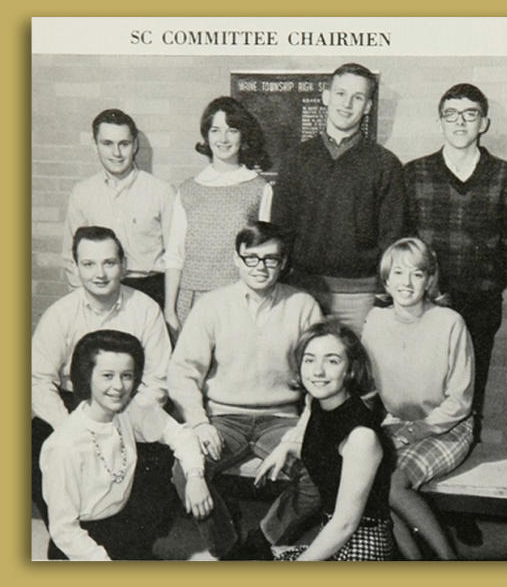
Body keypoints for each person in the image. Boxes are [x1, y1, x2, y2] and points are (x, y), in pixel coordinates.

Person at [166, 221, 323, 559]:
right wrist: (199, 422)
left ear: (283, 263)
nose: (260, 267)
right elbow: (182, 372)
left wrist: (298, 435)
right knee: (185, 472)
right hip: (223, 419)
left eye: (270, 259)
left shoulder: (303, 306)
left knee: (321, 472)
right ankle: (229, 551)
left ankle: (262, 543)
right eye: (251, 258)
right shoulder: (211, 305)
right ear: (236, 260)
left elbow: (321, 382)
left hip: (281, 420)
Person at [404, 83, 507, 442]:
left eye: (470, 114)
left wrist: (492, 283)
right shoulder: (414, 174)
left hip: (481, 303)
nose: (460, 122)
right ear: (440, 122)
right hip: (424, 303)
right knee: (426, 380)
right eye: (451, 115)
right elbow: (402, 240)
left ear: (484, 123)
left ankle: (464, 440)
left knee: (471, 381)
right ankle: (421, 442)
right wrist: (417, 288)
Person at [33, 226, 172, 522]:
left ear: (123, 265)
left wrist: (126, 423)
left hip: (128, 404)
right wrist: (72, 427)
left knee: (155, 466)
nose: (100, 274)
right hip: (74, 404)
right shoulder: (60, 314)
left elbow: (157, 380)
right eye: (89, 264)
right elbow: (38, 379)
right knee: (35, 448)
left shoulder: (146, 310)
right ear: (75, 268)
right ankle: (71, 533)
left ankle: (128, 545)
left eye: (109, 263)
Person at [40, 329, 211, 560]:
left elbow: (180, 435)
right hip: (80, 547)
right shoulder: (64, 445)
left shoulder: (129, 410)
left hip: (123, 528)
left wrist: (195, 477)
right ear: (86, 376)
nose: (119, 387)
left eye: (127, 376)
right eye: (107, 376)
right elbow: (64, 531)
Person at [272, 62, 406, 335]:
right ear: (326, 97)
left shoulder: (385, 164)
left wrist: (382, 294)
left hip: (361, 298)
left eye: (358, 98)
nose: (347, 104)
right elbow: (281, 231)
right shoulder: (296, 159)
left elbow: (393, 237)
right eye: (341, 94)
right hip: (302, 292)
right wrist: (283, 287)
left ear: (368, 106)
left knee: (359, 373)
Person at [365, 237, 474, 560]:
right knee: (368, 480)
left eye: (416, 274)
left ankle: (449, 563)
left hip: (449, 427)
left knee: (392, 484)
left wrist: (417, 430)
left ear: (429, 280)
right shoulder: (375, 321)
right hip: (397, 423)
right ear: (386, 279)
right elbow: (366, 387)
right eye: (398, 273)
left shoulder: (449, 322)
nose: (406, 283)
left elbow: (461, 400)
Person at [256, 321, 394, 561]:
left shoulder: (361, 436)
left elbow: (345, 525)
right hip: (332, 535)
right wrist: (287, 447)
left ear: (350, 368)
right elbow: (330, 453)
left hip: (362, 548)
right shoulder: (320, 404)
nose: (317, 372)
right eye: (309, 360)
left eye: (332, 361)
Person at [163, 96, 273, 336]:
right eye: (215, 130)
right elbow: (174, 255)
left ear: (242, 136)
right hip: (191, 301)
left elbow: (264, 256)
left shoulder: (259, 188)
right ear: (206, 136)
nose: (223, 139)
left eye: (231, 130)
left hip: (239, 299)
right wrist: (170, 310)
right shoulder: (188, 189)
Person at [62, 109, 176, 307]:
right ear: (95, 146)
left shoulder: (162, 192)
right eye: (107, 144)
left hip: (150, 289)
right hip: (99, 290)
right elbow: (71, 258)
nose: (116, 153)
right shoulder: (82, 193)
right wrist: (82, 303)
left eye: (124, 144)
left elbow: (175, 256)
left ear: (135, 145)